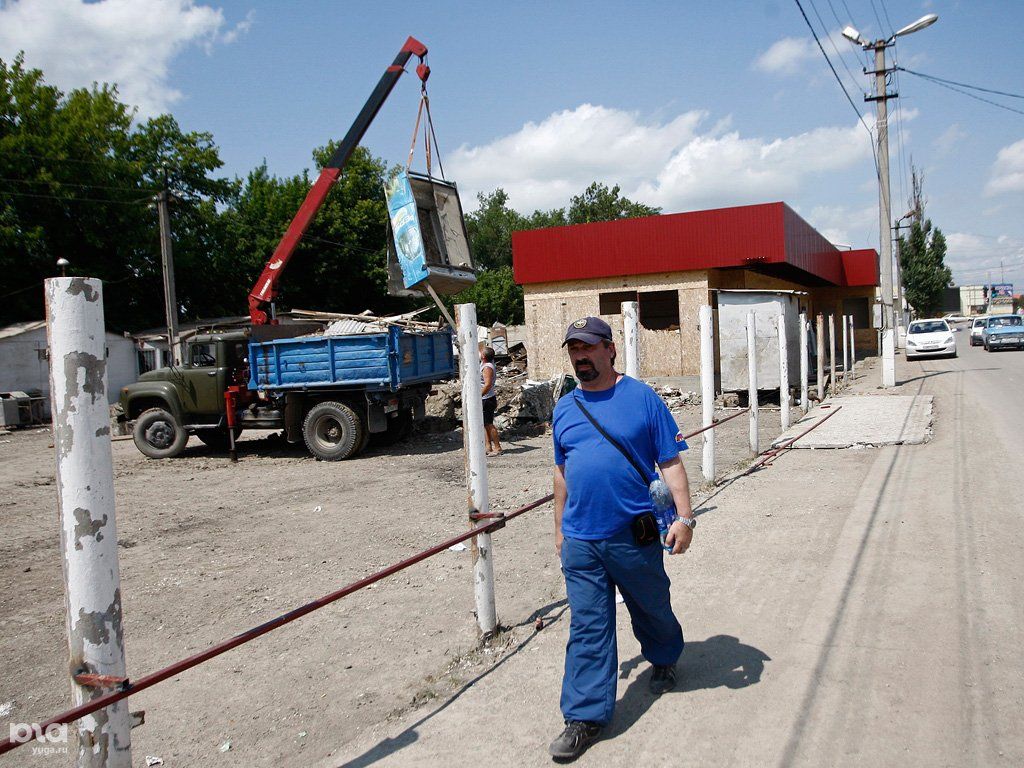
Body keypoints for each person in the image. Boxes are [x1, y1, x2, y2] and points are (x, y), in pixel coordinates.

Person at [548, 316, 695, 761]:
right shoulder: (564, 408)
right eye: (574, 349)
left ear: (610, 349)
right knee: (589, 628)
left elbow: (669, 462)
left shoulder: (642, 398)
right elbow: (561, 472)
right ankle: (584, 717)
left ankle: (665, 656)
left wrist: (685, 518)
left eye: (589, 347)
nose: (581, 356)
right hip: (581, 540)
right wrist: (558, 530)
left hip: (633, 536)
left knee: (651, 606)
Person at [480, 345, 502, 457]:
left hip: (487, 399)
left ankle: (497, 447)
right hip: (486, 398)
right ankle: (488, 446)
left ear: (483, 356)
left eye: (481, 352)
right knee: (485, 424)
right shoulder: (485, 364)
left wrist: (479, 396)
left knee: (489, 424)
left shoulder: (487, 367)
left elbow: (487, 384)